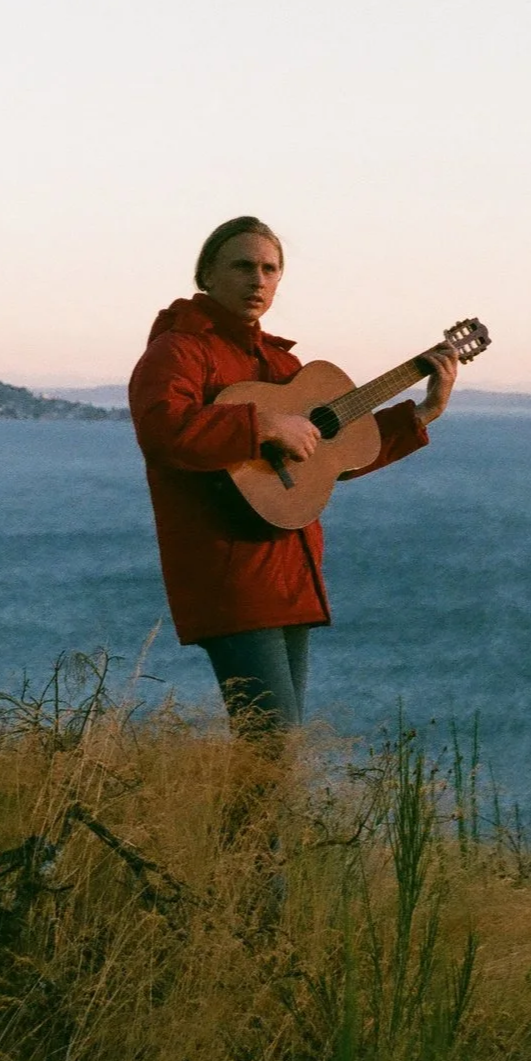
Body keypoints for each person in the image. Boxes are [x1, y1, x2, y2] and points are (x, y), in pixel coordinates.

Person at [128, 215, 458, 733]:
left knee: (275, 748)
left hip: (290, 571)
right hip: (230, 572)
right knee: (272, 744)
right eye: (243, 266)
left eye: (270, 269)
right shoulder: (179, 350)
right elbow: (163, 429)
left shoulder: (282, 365)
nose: (257, 280)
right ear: (207, 273)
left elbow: (334, 458)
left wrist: (423, 414)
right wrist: (263, 425)